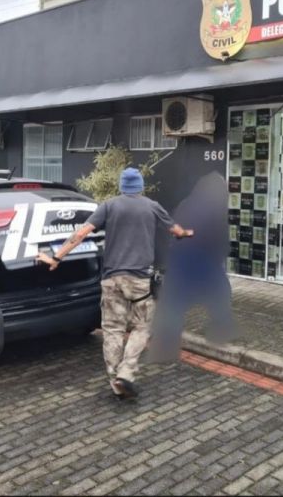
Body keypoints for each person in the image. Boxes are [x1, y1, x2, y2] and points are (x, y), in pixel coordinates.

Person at [37, 167, 192, 400]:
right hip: (140, 280)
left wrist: (56, 258)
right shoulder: (152, 206)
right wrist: (187, 233)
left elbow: (81, 233)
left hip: (111, 280)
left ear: (121, 186)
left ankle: (115, 381)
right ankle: (126, 373)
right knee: (142, 326)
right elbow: (176, 230)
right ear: (140, 186)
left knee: (112, 330)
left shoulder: (108, 206)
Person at [149, 171, 238, 363]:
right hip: (202, 257)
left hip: (179, 256)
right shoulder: (215, 207)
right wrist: (220, 255)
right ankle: (223, 329)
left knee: (173, 303)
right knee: (221, 292)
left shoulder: (186, 203)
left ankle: (164, 346)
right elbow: (219, 238)